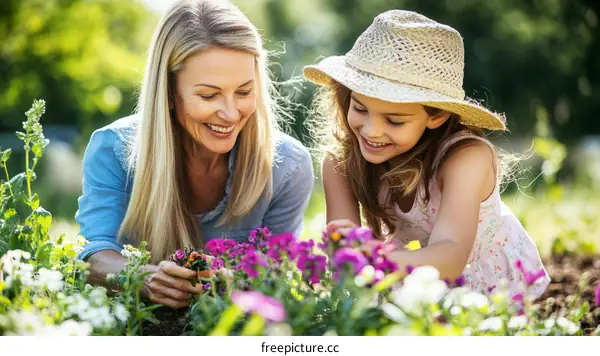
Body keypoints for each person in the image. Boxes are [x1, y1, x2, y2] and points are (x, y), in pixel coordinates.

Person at [75, 0, 314, 308]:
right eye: (208, 95)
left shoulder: (287, 166)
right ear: (169, 92)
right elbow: (94, 256)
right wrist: (141, 278)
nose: (230, 114)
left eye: (244, 92)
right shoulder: (114, 150)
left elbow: (278, 277)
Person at [304, 10, 549, 298]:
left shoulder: (465, 158)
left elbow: (451, 257)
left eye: (394, 120)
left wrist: (369, 258)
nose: (370, 131)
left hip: (491, 288)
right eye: (359, 108)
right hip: (414, 281)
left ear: (437, 116)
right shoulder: (341, 161)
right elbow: (342, 255)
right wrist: (343, 243)